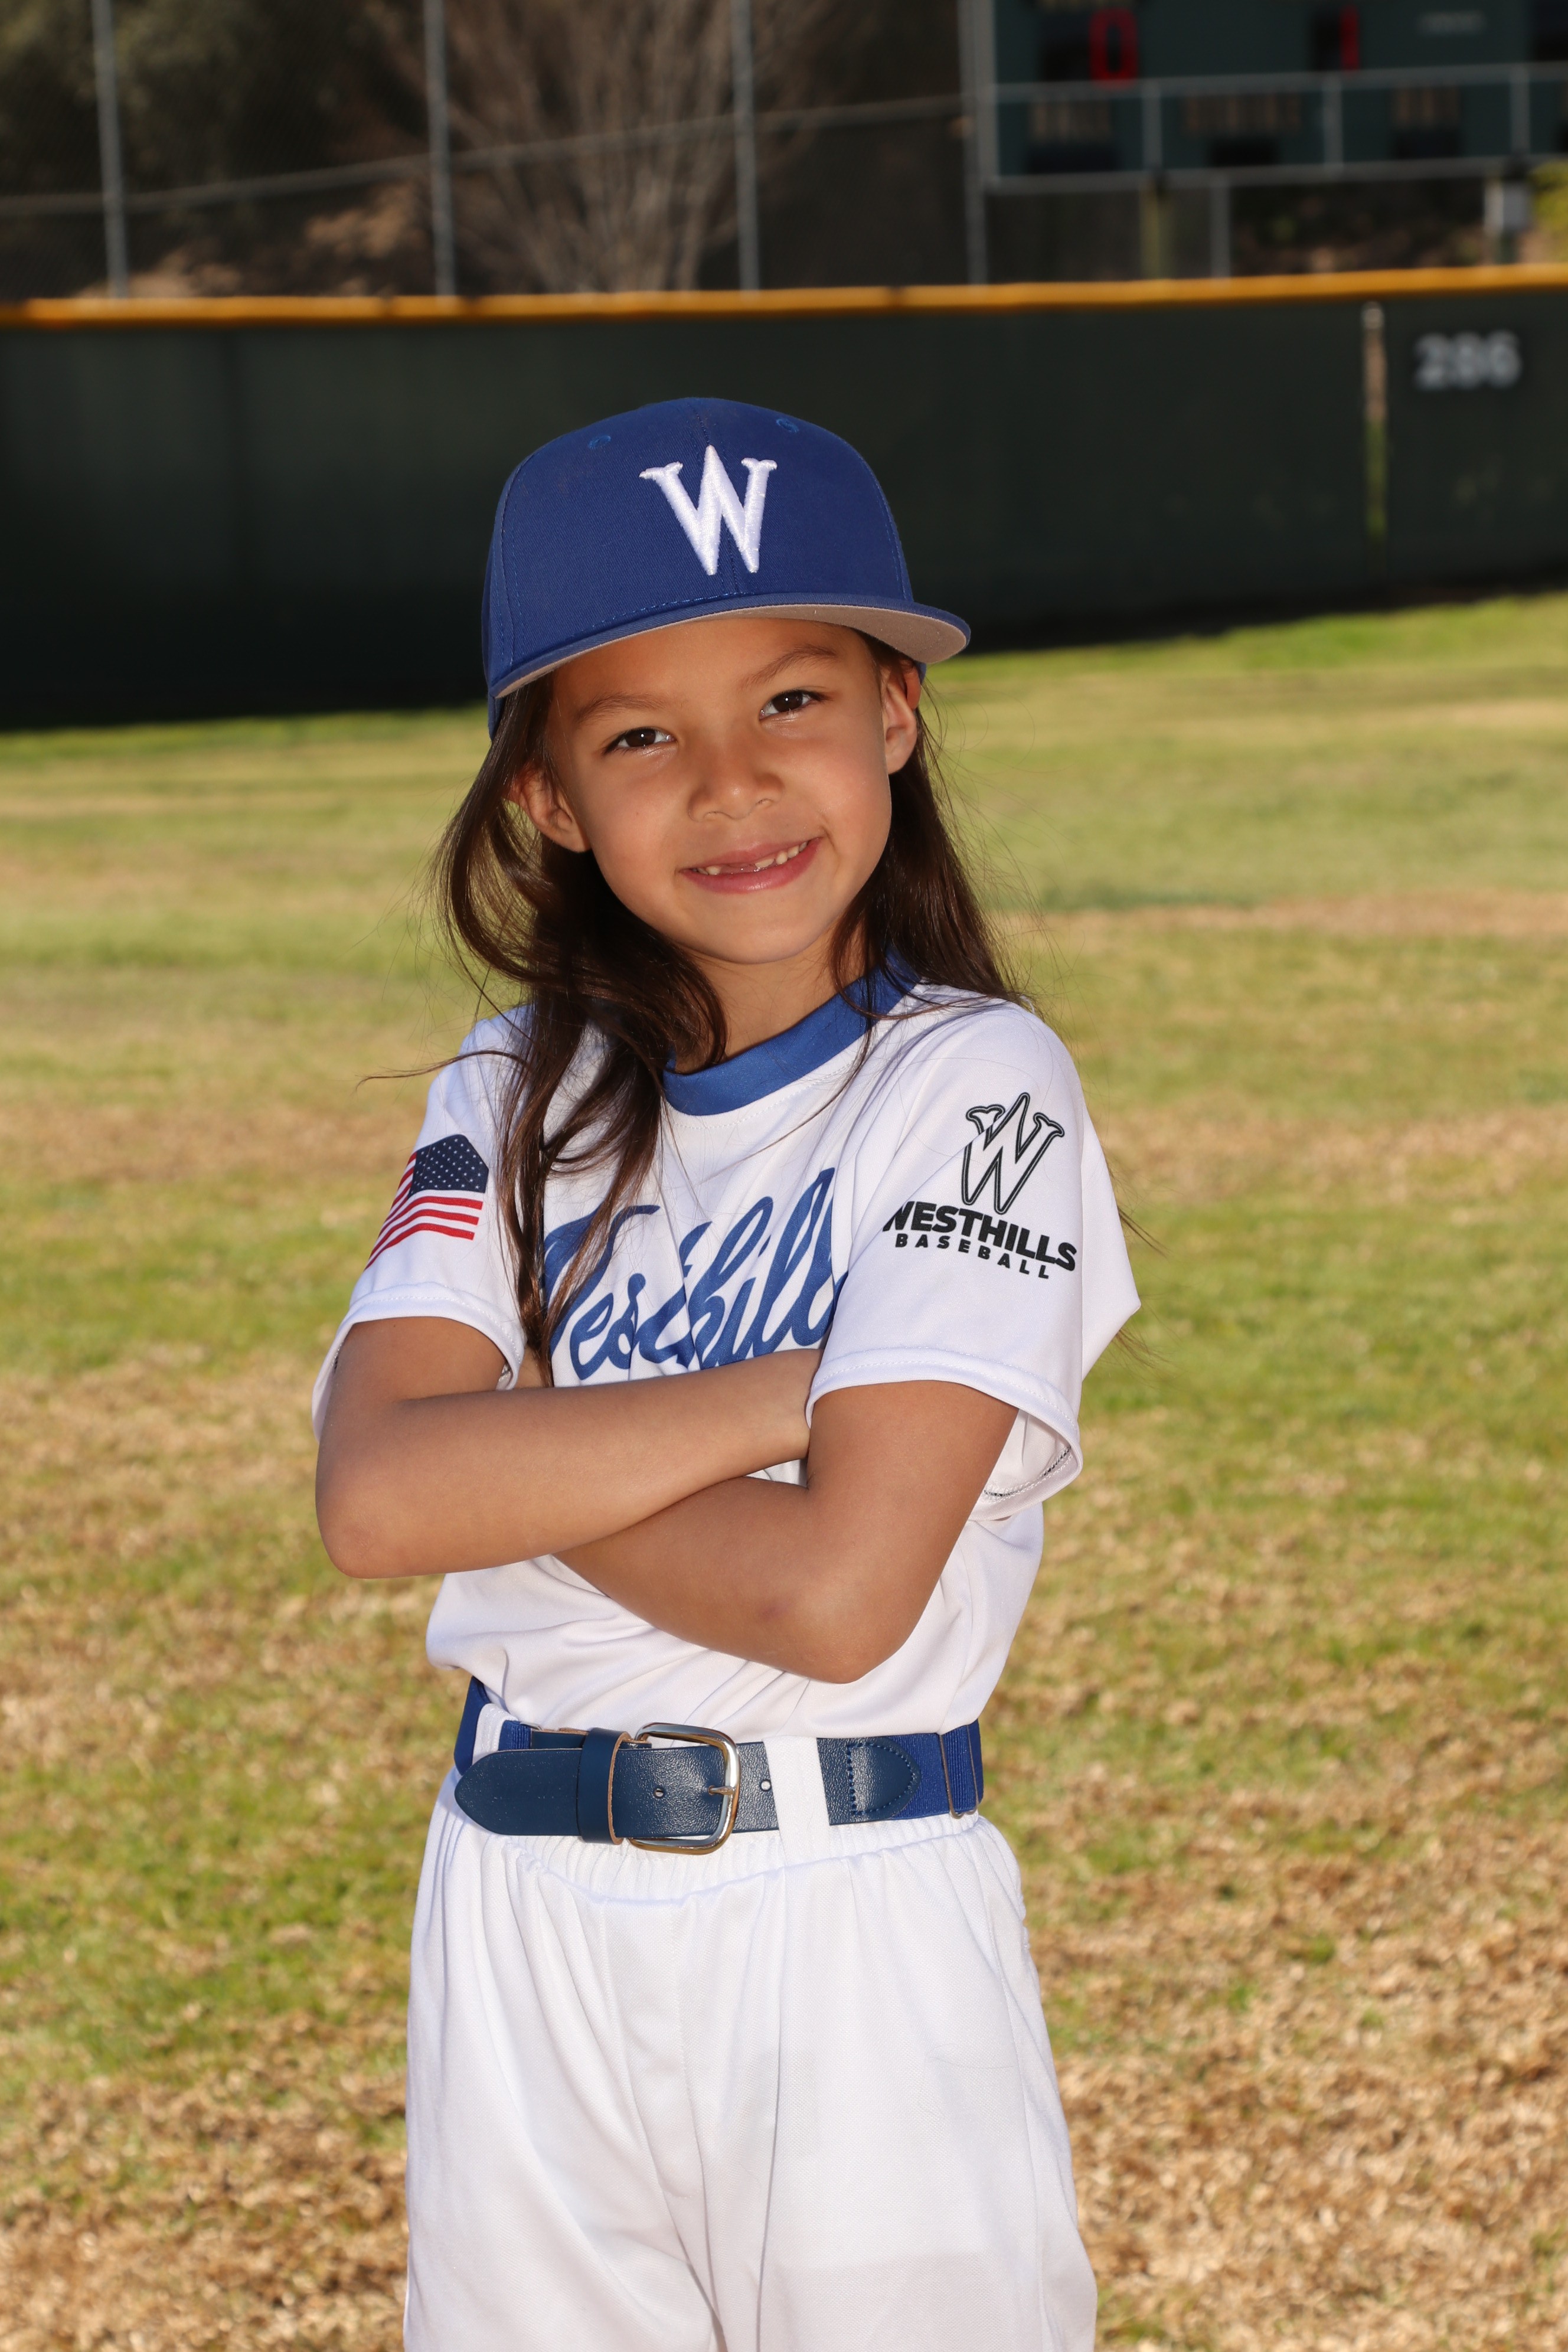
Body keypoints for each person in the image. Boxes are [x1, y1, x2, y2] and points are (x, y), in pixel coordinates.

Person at [312, 395, 1138, 2352]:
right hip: (517, 1914)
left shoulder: (977, 1084)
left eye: (791, 701)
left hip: (845, 1921)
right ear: (547, 798)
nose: (734, 784)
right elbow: (376, 1500)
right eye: (639, 737)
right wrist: (787, 1396)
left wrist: (514, 1456)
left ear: (895, 717)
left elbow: (838, 1597)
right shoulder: (513, 1089)